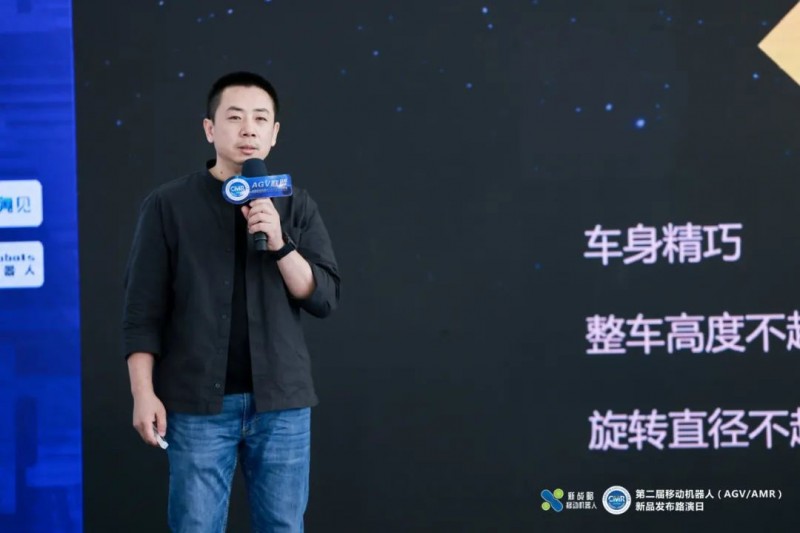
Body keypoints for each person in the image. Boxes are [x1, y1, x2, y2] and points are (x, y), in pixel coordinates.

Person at [122, 71, 340, 532]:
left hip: (281, 405)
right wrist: (143, 393)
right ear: (210, 128)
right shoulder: (168, 205)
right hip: (197, 405)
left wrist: (279, 242)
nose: (248, 130)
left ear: (274, 133)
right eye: (235, 117)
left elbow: (323, 297)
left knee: (283, 526)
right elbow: (142, 311)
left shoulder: (295, 204)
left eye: (260, 119)